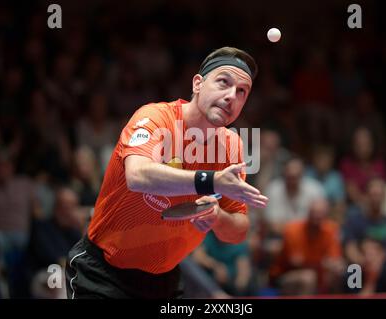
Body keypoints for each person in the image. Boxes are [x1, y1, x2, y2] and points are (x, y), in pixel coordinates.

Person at [65, 47, 268, 299]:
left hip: (164, 282)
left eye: (241, 92)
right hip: (104, 273)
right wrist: (211, 181)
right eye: (223, 82)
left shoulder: (232, 146)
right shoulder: (155, 117)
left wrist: (217, 217)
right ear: (197, 84)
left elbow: (238, 230)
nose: (231, 97)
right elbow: (137, 176)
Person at [269, 198, 344, 295]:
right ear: (308, 213)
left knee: (337, 272)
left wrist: (334, 265)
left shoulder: (331, 230)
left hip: (319, 275)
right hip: (285, 275)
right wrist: (324, 263)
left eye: (320, 214)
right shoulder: (292, 230)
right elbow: (296, 262)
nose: (316, 217)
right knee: (308, 277)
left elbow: (335, 260)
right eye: (314, 213)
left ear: (326, 216)